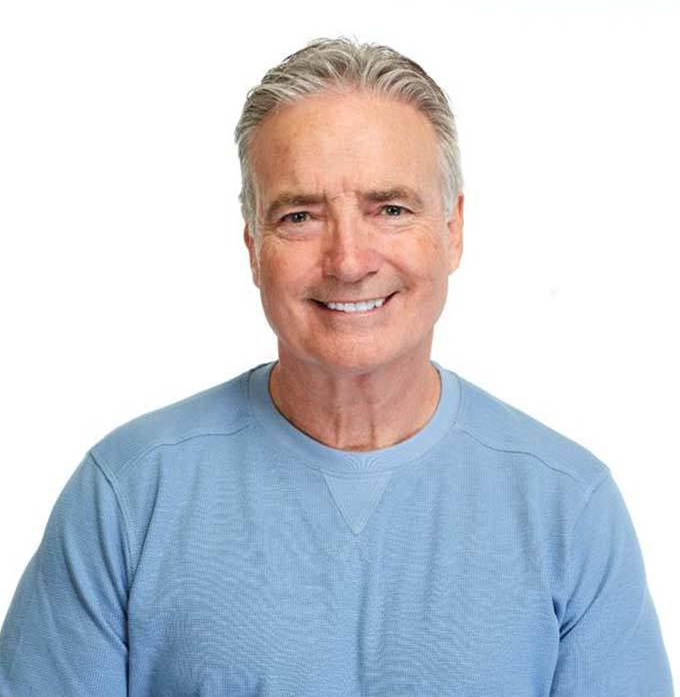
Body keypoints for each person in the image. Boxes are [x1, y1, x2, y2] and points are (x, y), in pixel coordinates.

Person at [0, 36, 673, 696]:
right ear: (252, 245)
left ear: (453, 230)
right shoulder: (126, 494)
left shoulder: (568, 506)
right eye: (300, 215)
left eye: (391, 209)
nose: (349, 261)